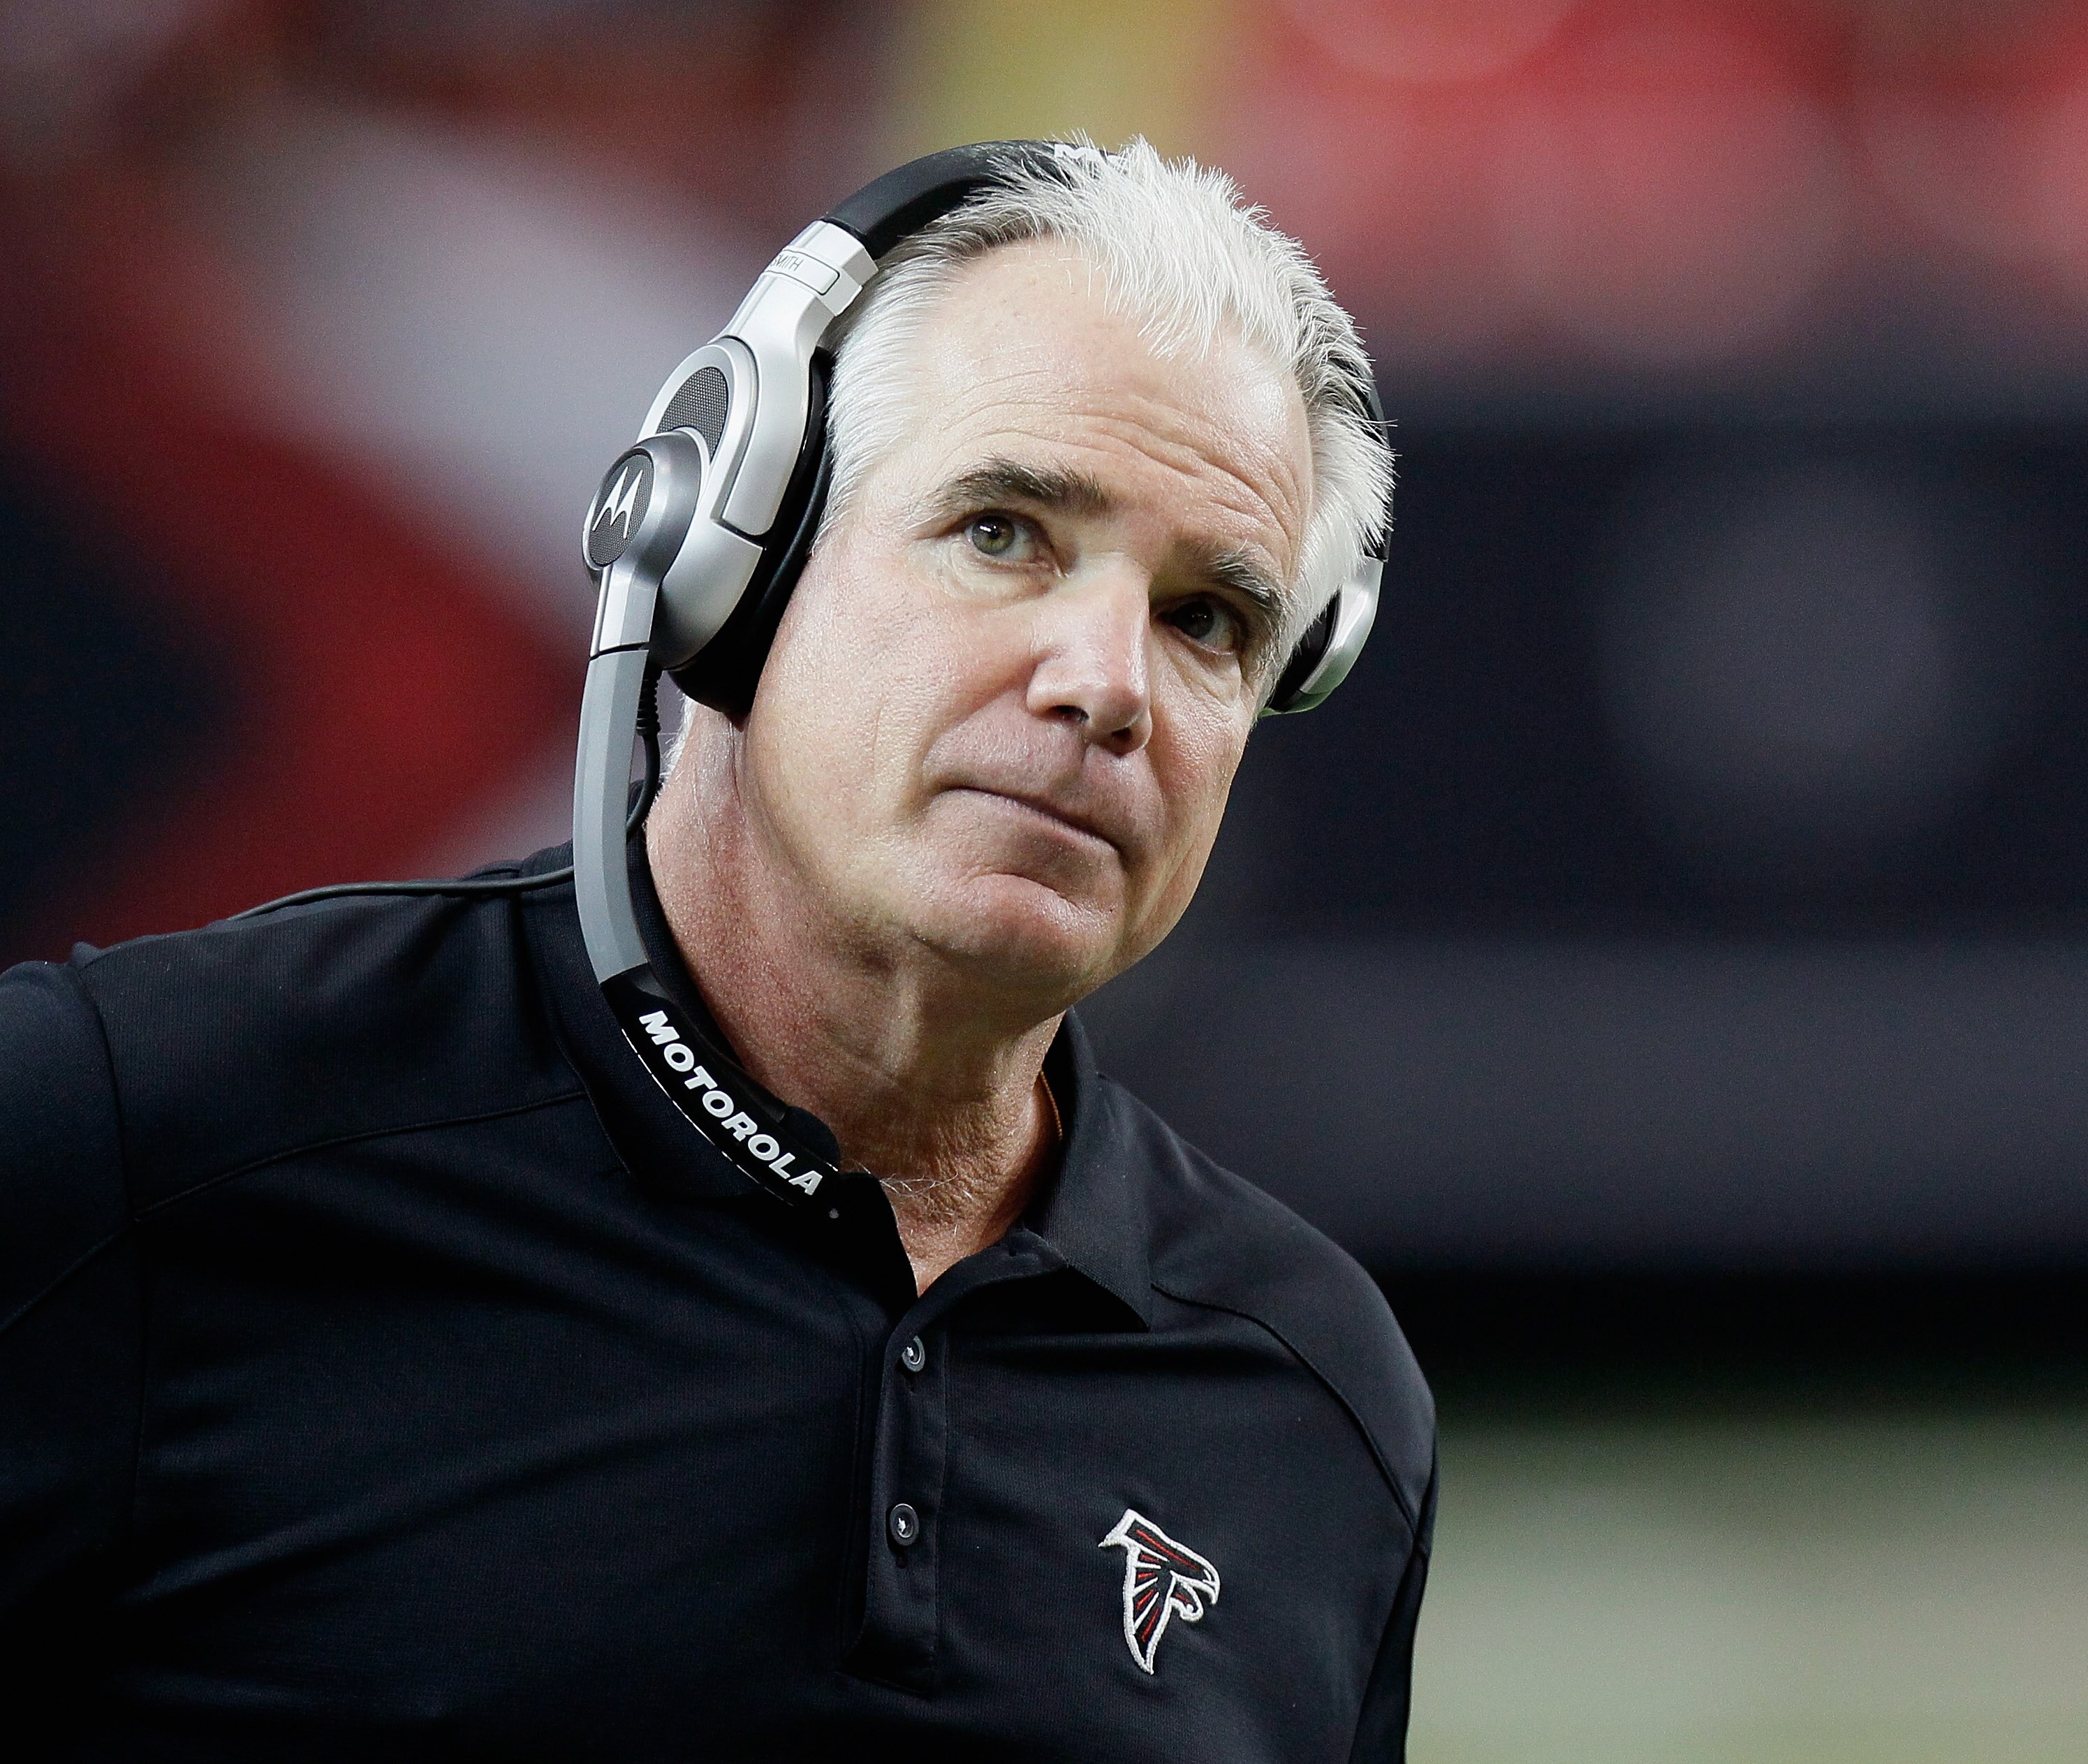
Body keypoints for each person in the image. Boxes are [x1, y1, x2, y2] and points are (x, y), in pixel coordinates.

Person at [0, 140, 1430, 1761]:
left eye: (1208, 620)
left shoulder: (1312, 1399)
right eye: (1004, 532)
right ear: (730, 557)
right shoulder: (137, 1135)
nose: (1106, 680)